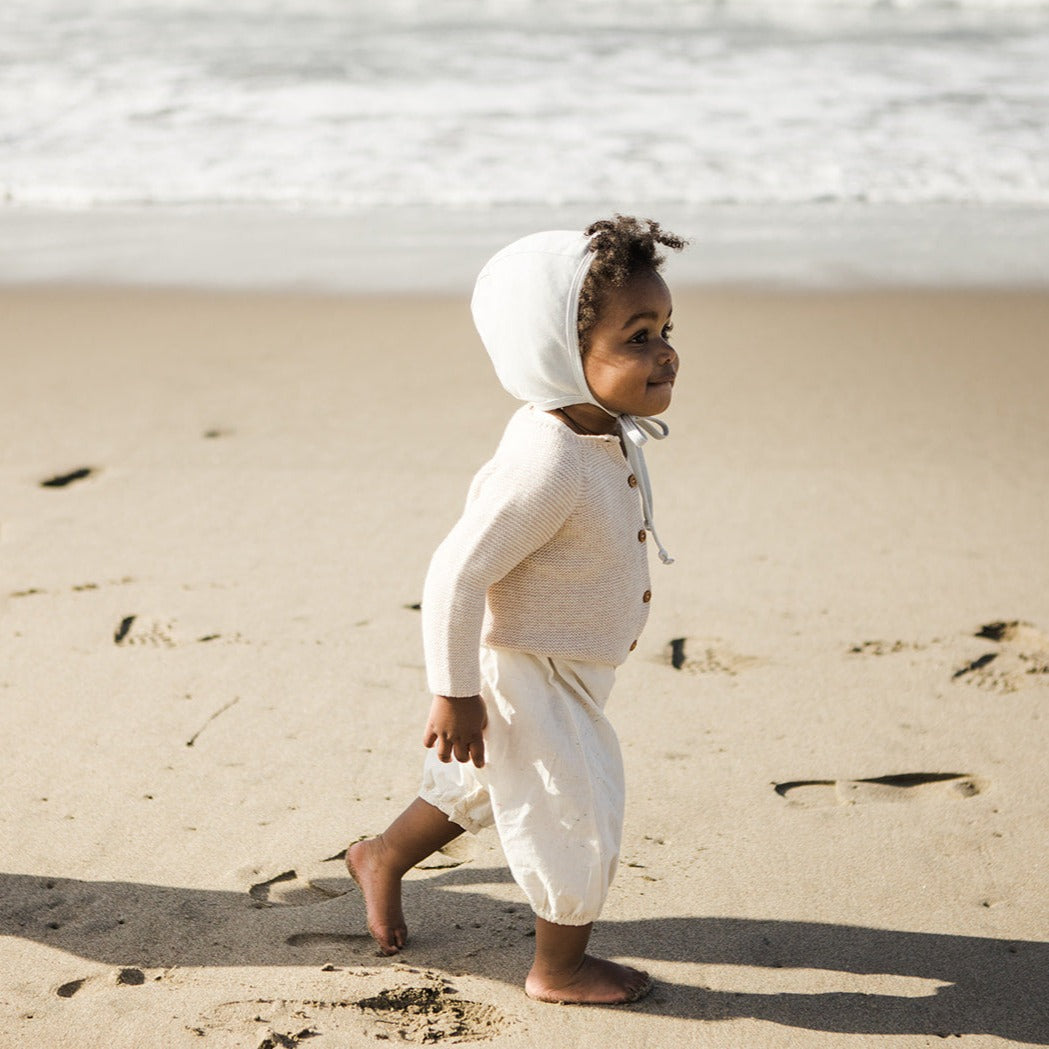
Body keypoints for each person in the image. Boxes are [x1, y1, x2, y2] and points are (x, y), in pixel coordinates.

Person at [347, 216, 685, 1005]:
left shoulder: (592, 425)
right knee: (573, 810)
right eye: (637, 336)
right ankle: (558, 966)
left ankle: (382, 856)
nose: (665, 350)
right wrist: (456, 692)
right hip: (531, 668)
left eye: (666, 327)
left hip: (565, 658)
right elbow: (456, 574)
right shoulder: (550, 460)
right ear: (561, 353)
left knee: (477, 784)